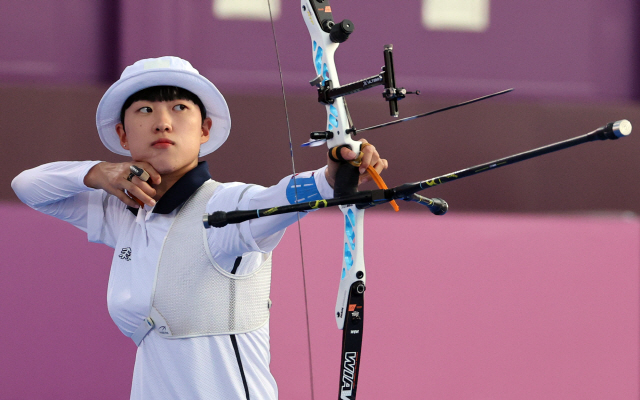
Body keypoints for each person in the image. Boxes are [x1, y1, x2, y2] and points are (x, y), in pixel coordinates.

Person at [11, 56, 387, 399]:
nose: (163, 121)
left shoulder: (224, 206)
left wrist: (329, 178)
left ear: (204, 129)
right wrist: (97, 172)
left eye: (179, 107)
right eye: (145, 109)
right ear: (123, 135)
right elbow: (27, 186)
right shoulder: (124, 210)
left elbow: (278, 198)